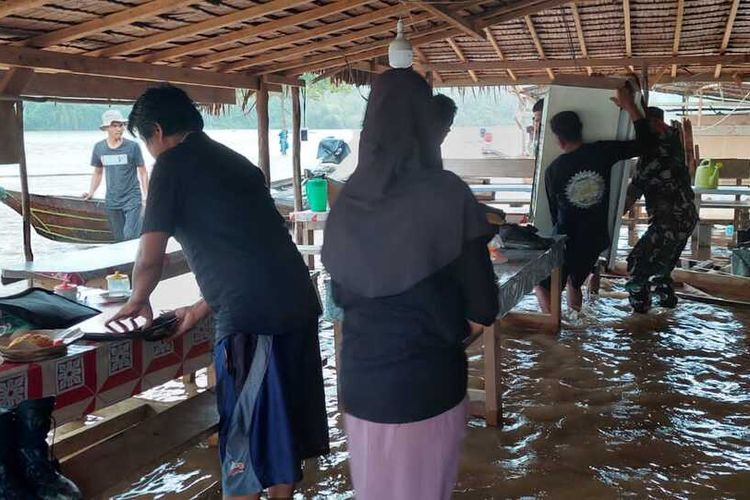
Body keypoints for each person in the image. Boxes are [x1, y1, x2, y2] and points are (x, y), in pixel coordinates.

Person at [106, 85, 328, 499]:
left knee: (244, 437)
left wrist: (137, 298)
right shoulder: (236, 162)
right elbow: (252, 246)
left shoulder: (171, 166)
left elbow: (149, 255)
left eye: (146, 142)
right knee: (281, 428)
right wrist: (202, 305)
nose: (151, 151)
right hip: (296, 302)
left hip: (255, 317)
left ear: (156, 131)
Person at [322, 69, 499, 500]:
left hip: (362, 388)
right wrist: (447, 334)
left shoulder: (346, 202)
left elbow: (339, 298)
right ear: (425, 121)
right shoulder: (448, 194)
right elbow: (483, 307)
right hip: (427, 384)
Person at [535, 85, 650, 313]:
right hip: (595, 238)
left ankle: (553, 329)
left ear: (558, 140)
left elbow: (552, 212)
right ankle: (575, 323)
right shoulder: (601, 152)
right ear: (581, 129)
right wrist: (630, 107)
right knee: (575, 282)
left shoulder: (553, 170)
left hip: (567, 241)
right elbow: (645, 144)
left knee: (540, 284)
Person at [623, 106, 698, 312]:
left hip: (668, 223)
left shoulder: (651, 155)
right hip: (687, 219)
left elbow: (632, 193)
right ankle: (666, 307)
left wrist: (609, 219)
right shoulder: (673, 142)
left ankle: (640, 319)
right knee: (662, 268)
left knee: (637, 265)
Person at [84, 109, 148, 241]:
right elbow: (98, 172)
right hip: (112, 201)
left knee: (129, 235)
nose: (119, 129)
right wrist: (91, 192)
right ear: (106, 128)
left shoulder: (133, 147)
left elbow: (143, 171)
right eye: (115, 125)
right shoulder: (99, 148)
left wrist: (146, 195)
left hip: (132, 199)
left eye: (121, 125)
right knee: (119, 240)